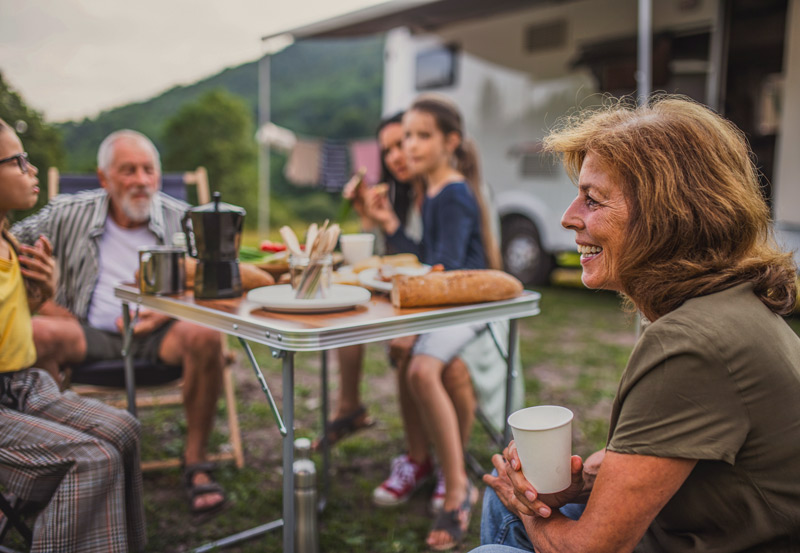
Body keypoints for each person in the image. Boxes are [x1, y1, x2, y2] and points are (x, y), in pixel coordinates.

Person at [474, 96, 800, 553]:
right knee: (504, 503)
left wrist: (527, 507)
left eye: (593, 199)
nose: (569, 217)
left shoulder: (690, 344)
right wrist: (580, 484)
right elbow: (685, 458)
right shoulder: (725, 304)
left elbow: (591, 550)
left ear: (666, 216)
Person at [11, 129, 228, 516]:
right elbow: (10, 238)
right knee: (36, 332)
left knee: (207, 333)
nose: (141, 181)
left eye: (149, 170)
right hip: (85, 331)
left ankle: (195, 460)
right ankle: (53, 460)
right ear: (103, 178)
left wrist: (171, 306)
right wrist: (43, 300)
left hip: (160, 332)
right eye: (128, 170)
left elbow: (216, 279)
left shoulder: (183, 219)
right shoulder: (67, 212)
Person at [364, 95, 505, 551]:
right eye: (407, 136)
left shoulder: (455, 192)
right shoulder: (432, 192)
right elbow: (426, 261)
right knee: (408, 354)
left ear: (451, 142)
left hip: (471, 306)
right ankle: (426, 462)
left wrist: (412, 316)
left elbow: (441, 269)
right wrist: (388, 222)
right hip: (449, 304)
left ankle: (459, 488)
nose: (411, 145)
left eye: (422, 136)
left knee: (423, 367)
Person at [0, 118, 146, 552]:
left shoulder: (8, 240)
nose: (31, 169)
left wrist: (39, 292)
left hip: (20, 384)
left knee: (124, 431)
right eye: (17, 160)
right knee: (90, 459)